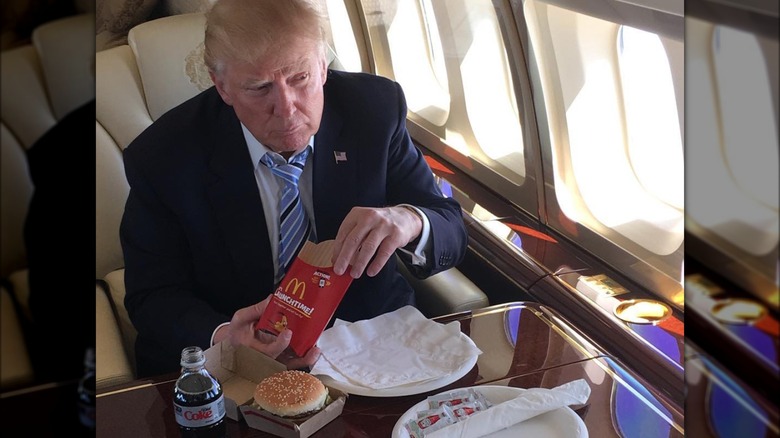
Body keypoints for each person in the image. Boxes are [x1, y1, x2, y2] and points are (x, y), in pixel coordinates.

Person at [120, 0, 468, 378]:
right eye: (259, 88)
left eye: (299, 78)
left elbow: (449, 225)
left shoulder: (375, 110)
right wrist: (225, 337)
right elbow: (151, 296)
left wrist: (409, 219)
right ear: (222, 86)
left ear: (322, 66)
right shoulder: (163, 156)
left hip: (370, 345)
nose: (286, 109)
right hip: (241, 361)